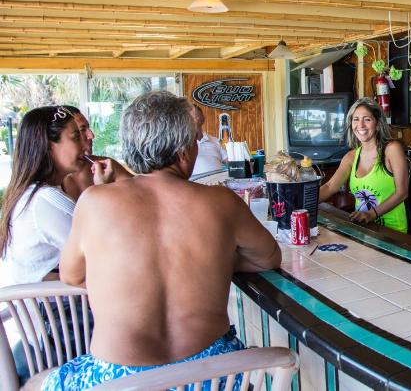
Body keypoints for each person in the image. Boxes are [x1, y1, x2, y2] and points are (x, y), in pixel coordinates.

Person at [45, 91, 282, 390]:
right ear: (183, 152)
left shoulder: (94, 201)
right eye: (195, 142)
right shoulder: (221, 201)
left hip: (120, 381)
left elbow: (72, 275)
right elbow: (268, 257)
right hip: (211, 376)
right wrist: (212, 261)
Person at [0, 106, 114, 287]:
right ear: (48, 146)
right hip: (56, 303)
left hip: (42, 300)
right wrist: (102, 192)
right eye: (76, 137)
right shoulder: (46, 200)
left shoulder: (31, 193)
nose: (85, 142)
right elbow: (107, 249)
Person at [319, 97, 408, 233]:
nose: (360, 125)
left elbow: (402, 193)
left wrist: (371, 214)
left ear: (377, 124)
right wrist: (302, 203)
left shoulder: (392, 149)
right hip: (364, 229)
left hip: (393, 232)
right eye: (356, 119)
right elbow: (330, 186)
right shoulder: (351, 157)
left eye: (367, 119)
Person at [61, 106, 133, 201]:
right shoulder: (50, 184)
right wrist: (102, 188)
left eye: (89, 128)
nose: (91, 135)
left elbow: (140, 192)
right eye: (82, 130)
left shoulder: (107, 166)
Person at [190, 103, 228, 176]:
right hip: (194, 181)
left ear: (203, 119)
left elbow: (230, 162)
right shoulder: (182, 143)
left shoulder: (215, 140)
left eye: (197, 115)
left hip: (219, 180)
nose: (196, 118)